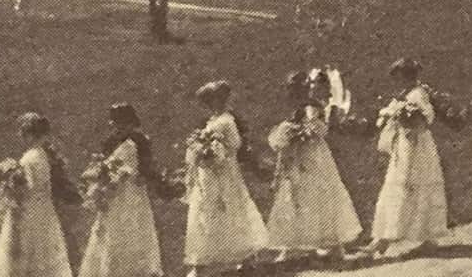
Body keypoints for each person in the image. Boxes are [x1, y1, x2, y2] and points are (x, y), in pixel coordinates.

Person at [262, 73, 361, 261]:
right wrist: (288, 134)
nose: (295, 92)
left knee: (319, 193)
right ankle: (292, 245)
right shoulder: (295, 109)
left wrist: (299, 133)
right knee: (295, 195)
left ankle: (333, 244)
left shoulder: (312, 107)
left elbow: (316, 130)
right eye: (292, 89)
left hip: (313, 156)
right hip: (298, 156)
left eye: (299, 88)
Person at [182, 82, 266, 276]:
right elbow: (203, 144)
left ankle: (246, 255)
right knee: (204, 211)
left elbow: (235, 144)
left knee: (231, 208)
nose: (214, 103)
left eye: (217, 98)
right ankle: (199, 263)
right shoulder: (211, 121)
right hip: (208, 173)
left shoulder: (228, 120)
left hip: (225, 171)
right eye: (210, 100)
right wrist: (201, 150)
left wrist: (215, 150)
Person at [369, 58, 447, 258]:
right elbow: (392, 114)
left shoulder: (418, 93)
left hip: (418, 145)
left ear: (410, 75)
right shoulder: (403, 95)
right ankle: (383, 238)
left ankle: (427, 237)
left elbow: (427, 116)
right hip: (403, 144)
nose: (399, 80)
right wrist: (392, 116)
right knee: (397, 186)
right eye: (398, 77)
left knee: (417, 185)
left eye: (402, 76)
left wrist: (410, 119)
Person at [78, 105, 166, 277]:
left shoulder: (138, 142)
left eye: (125, 123)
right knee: (113, 230)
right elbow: (106, 165)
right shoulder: (112, 143)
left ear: (132, 123)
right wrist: (103, 179)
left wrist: (137, 176)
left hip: (132, 193)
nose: (121, 127)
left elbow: (146, 168)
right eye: (117, 124)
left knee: (132, 228)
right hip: (115, 194)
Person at [0, 113, 75, 277]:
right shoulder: (41, 153)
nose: (20, 135)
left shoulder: (30, 157)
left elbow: (28, 187)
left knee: (26, 250)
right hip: (44, 209)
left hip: (29, 210)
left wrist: (6, 186)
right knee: (42, 249)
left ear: (30, 134)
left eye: (22, 132)